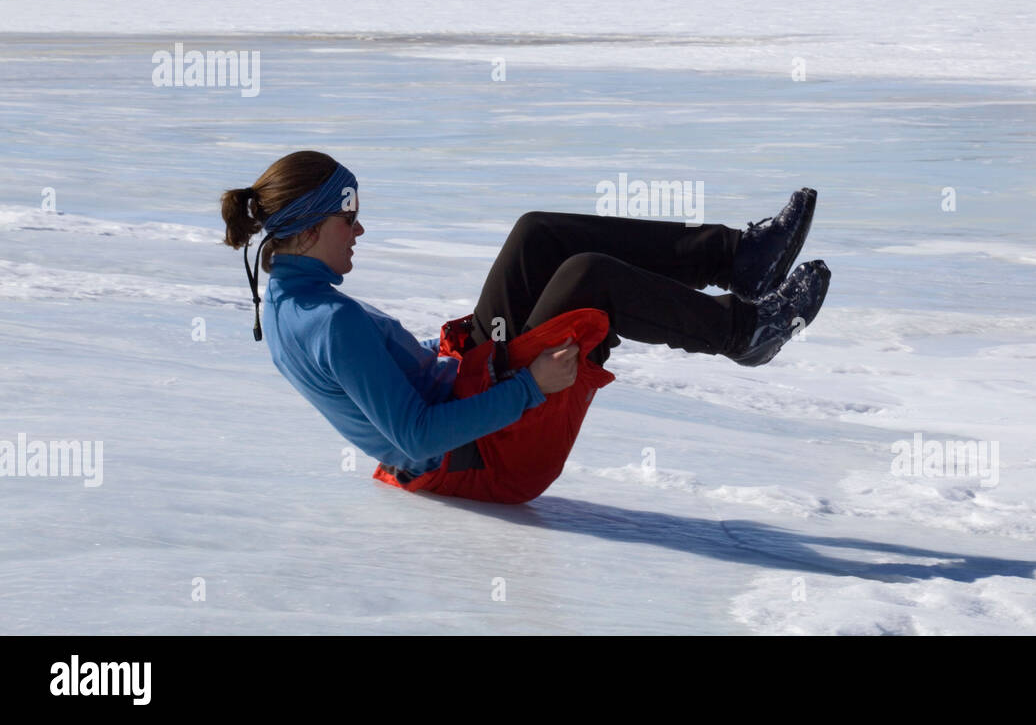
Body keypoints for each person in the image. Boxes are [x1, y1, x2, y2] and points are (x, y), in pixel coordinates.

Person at [220, 150, 830, 497]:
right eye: (348, 218)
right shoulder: (327, 321)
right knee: (590, 278)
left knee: (538, 233)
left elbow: (385, 380)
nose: (360, 231)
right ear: (306, 227)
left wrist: (441, 349)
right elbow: (418, 439)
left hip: (468, 392)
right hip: (486, 453)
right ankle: (743, 332)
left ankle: (739, 259)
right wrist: (531, 385)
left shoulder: (286, 303)